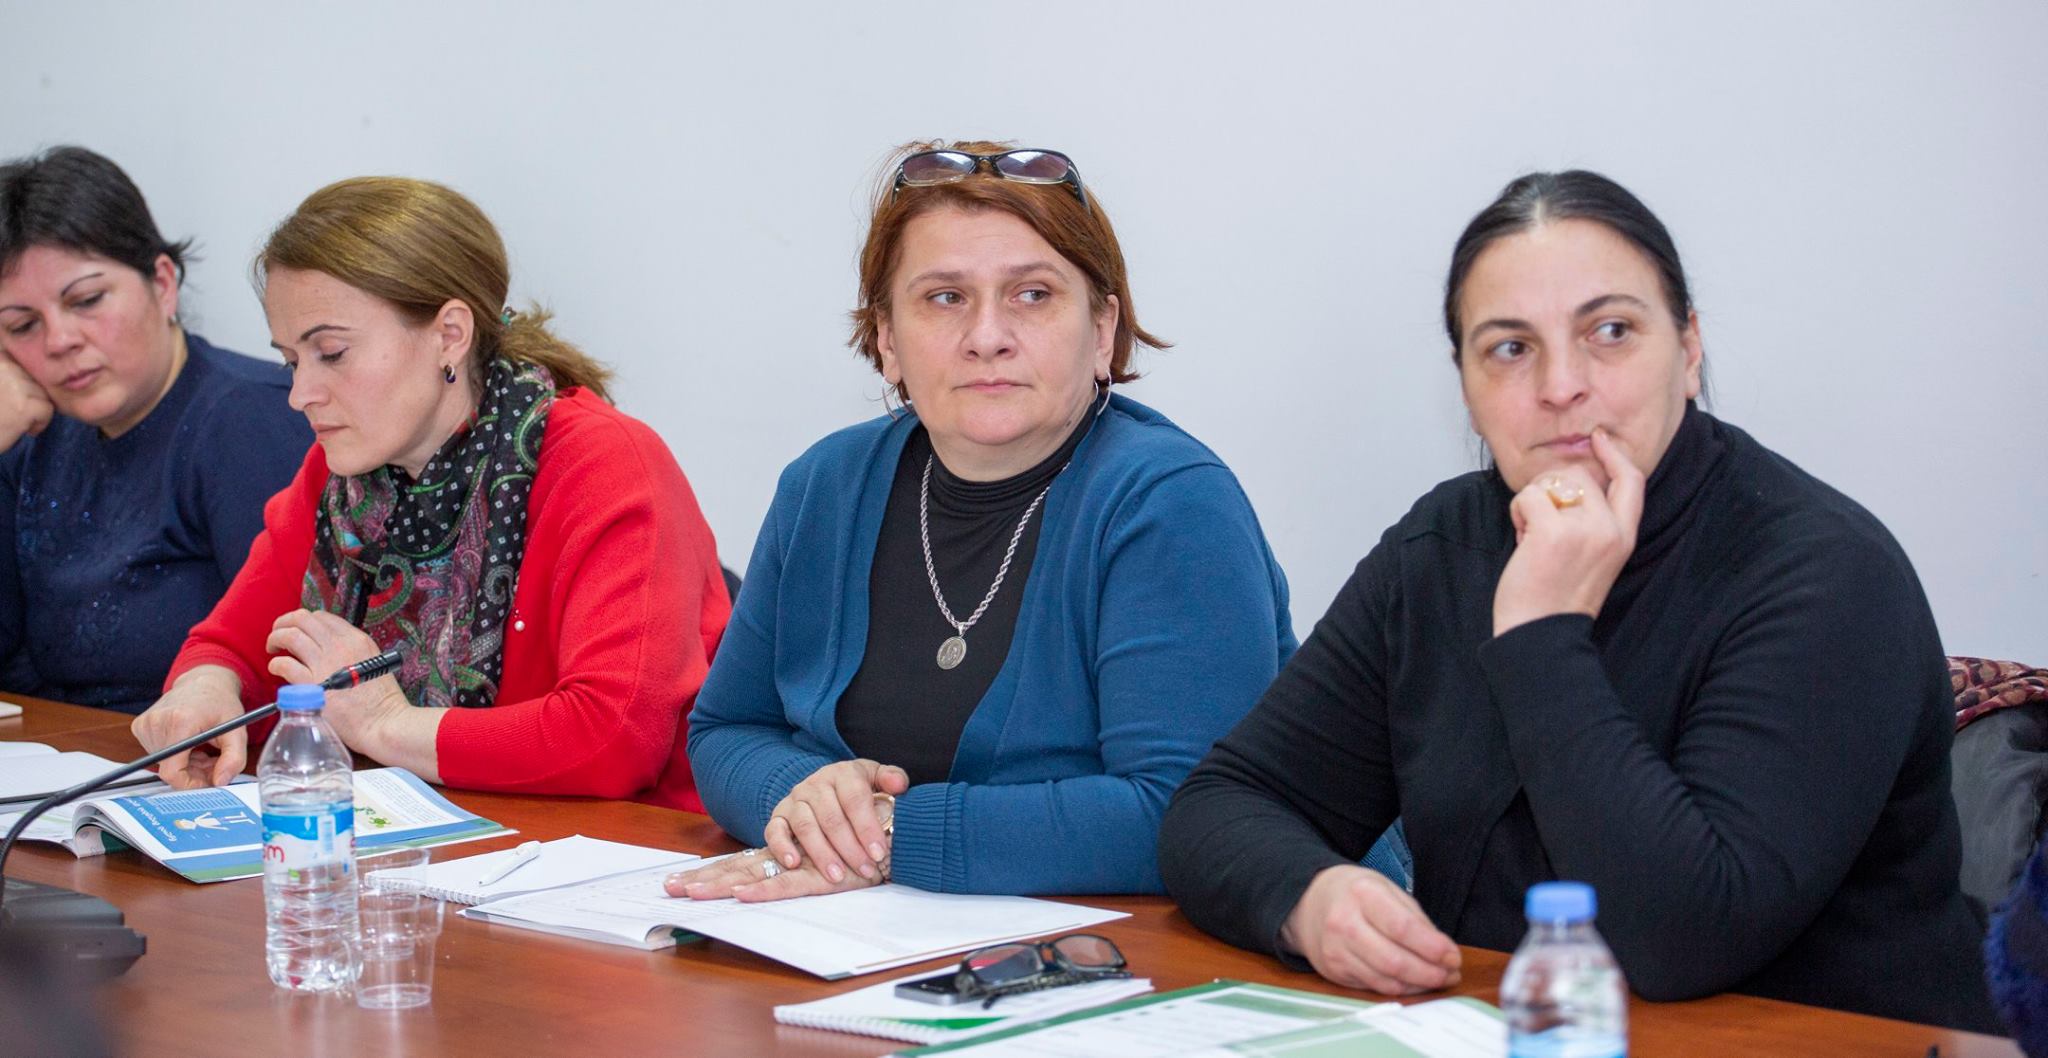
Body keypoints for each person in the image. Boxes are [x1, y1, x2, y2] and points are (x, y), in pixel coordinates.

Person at [1158, 170, 2000, 1031]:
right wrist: (1307, 897)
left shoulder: (1824, 572)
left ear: (1690, 348)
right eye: (1510, 348)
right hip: (1498, 1032)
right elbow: (1222, 804)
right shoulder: (1442, 548)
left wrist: (1541, 632)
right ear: (1466, 388)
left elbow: (1682, 940)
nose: (1561, 385)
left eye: (1611, 331)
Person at [668, 141, 1292, 901]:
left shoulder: (1171, 503)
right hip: (863, 937)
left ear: (1102, 331)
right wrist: (810, 803)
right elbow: (727, 731)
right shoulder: (825, 485)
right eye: (945, 297)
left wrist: (896, 835)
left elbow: (1190, 813)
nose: (987, 335)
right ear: (887, 339)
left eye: (1033, 294)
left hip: (1126, 950)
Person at [128, 177, 728, 809]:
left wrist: (386, 724)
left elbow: (614, 737)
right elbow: (231, 644)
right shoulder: (339, 476)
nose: (301, 394)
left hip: (620, 848)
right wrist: (205, 689)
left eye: (332, 352)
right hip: (430, 838)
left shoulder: (604, 464)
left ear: (450, 334)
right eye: (291, 361)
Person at [0, 146, 309, 713]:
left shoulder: (247, 419)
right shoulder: (28, 428)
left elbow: (292, 671)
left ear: (163, 284)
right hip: (56, 749)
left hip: (195, 756)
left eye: (87, 300)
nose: (59, 340)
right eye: (22, 325)